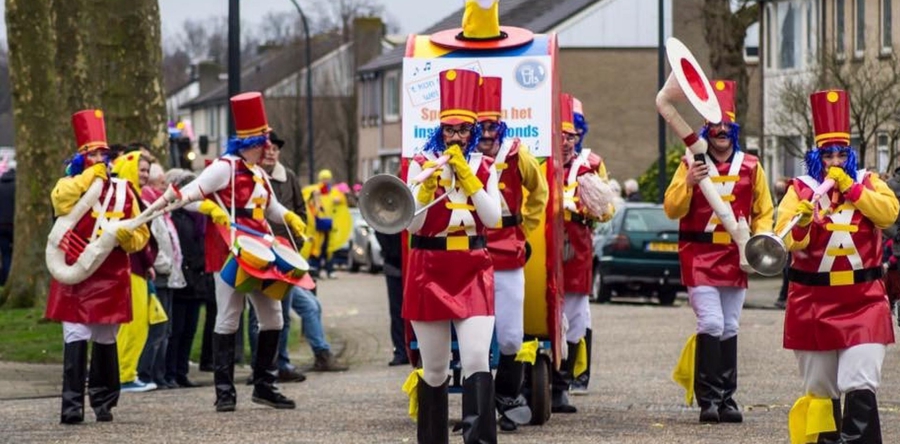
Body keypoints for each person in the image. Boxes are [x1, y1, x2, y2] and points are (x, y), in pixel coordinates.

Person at [779, 89, 898, 443]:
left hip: (864, 300)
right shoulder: (800, 189)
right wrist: (801, 222)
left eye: (841, 153)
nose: (834, 160)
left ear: (850, 154)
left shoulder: (868, 181)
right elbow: (784, 239)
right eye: (827, 153)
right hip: (812, 303)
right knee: (820, 390)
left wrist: (853, 190)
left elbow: (889, 213)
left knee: (860, 382)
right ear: (816, 155)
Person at [178, 92, 308, 412]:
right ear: (251, 143)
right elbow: (186, 196)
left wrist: (289, 218)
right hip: (230, 250)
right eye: (264, 142)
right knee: (229, 316)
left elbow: (272, 209)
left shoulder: (260, 173)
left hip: (261, 249)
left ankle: (264, 385)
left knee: (273, 317)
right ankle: (224, 392)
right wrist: (211, 208)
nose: (268, 148)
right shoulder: (224, 168)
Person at [664, 80, 774, 424]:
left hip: (735, 256)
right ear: (706, 130)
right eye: (715, 126)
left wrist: (760, 241)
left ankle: (727, 398)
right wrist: (689, 184)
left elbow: (765, 211)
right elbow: (671, 208)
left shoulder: (753, 166)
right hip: (698, 254)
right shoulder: (690, 163)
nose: (721, 131)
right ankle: (707, 398)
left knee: (730, 326)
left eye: (727, 126)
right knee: (710, 321)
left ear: (735, 129)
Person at [406, 68, 501, 443]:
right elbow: (412, 226)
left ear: (473, 131)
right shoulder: (420, 163)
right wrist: (427, 185)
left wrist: (471, 177)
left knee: (477, 359)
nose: (457, 138)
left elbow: (492, 219)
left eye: (463, 131)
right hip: (427, 269)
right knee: (434, 369)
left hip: (474, 267)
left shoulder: (485, 165)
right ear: (440, 130)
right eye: (450, 131)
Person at [45, 109, 151, 423]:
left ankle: (104, 401)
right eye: (92, 154)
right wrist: (87, 179)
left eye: (103, 154)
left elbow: (141, 234)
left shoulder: (124, 191)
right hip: (75, 269)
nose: (99, 159)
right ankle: (72, 404)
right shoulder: (69, 185)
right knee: (75, 334)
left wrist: (125, 238)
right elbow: (60, 201)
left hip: (110, 271)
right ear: (81, 158)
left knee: (106, 337)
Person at [474, 76, 548, 432]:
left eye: (492, 127)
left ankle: (507, 396)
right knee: (468, 340)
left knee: (510, 337)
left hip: (507, 256)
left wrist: (524, 226)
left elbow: (540, 191)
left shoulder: (520, 157)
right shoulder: (461, 158)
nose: (487, 134)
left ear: (501, 127)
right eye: (481, 127)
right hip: (469, 257)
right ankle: (476, 409)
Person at [247, 130, 346, 383]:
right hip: (257, 252)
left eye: (275, 149)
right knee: (258, 314)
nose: (271, 153)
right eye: (267, 148)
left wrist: (296, 239)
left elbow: (300, 211)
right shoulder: (251, 176)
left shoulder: (288, 176)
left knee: (285, 312)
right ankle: (260, 366)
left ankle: (282, 363)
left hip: (285, 254)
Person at [113, 151, 160, 393]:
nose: (145, 174)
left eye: (146, 170)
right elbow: (136, 235)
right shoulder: (128, 196)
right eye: (141, 170)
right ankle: (124, 374)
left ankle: (124, 373)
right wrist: (147, 260)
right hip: (131, 267)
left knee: (137, 323)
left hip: (137, 267)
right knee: (132, 324)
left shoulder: (131, 195)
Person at [138, 163, 186, 389]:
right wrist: (161, 263)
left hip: (166, 271)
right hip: (159, 271)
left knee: (164, 329)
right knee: (157, 329)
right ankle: (148, 373)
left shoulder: (161, 206)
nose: (164, 187)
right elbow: (153, 239)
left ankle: (159, 373)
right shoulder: (150, 204)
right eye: (161, 183)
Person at [567, 96, 602, 397]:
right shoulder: (542, 160)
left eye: (574, 134)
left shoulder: (591, 163)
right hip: (548, 246)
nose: (568, 141)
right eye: (563, 134)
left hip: (577, 246)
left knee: (580, 314)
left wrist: (583, 206)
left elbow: (606, 209)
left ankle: (577, 374)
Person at [163, 169, 206, 388]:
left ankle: (181, 370)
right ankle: (169, 371)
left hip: (196, 278)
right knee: (176, 329)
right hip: (182, 277)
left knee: (189, 329)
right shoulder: (175, 216)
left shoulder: (197, 216)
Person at [306, 169, 348, 279]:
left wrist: (340, 200)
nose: (326, 181)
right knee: (317, 247)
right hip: (318, 225)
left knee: (329, 248)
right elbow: (307, 200)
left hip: (329, 224)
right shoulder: (315, 190)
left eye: (327, 178)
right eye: (324, 178)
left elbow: (343, 202)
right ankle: (317, 269)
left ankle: (329, 269)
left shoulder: (333, 192)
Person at [375, 227, 407, 367]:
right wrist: (392, 252)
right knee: (397, 310)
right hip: (394, 265)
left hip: (416, 262)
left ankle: (418, 351)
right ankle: (400, 351)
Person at [0, 165, 14, 286]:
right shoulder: (17, 187)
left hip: (1, 225)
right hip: (13, 225)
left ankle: (5, 279)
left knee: (5, 254)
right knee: (12, 252)